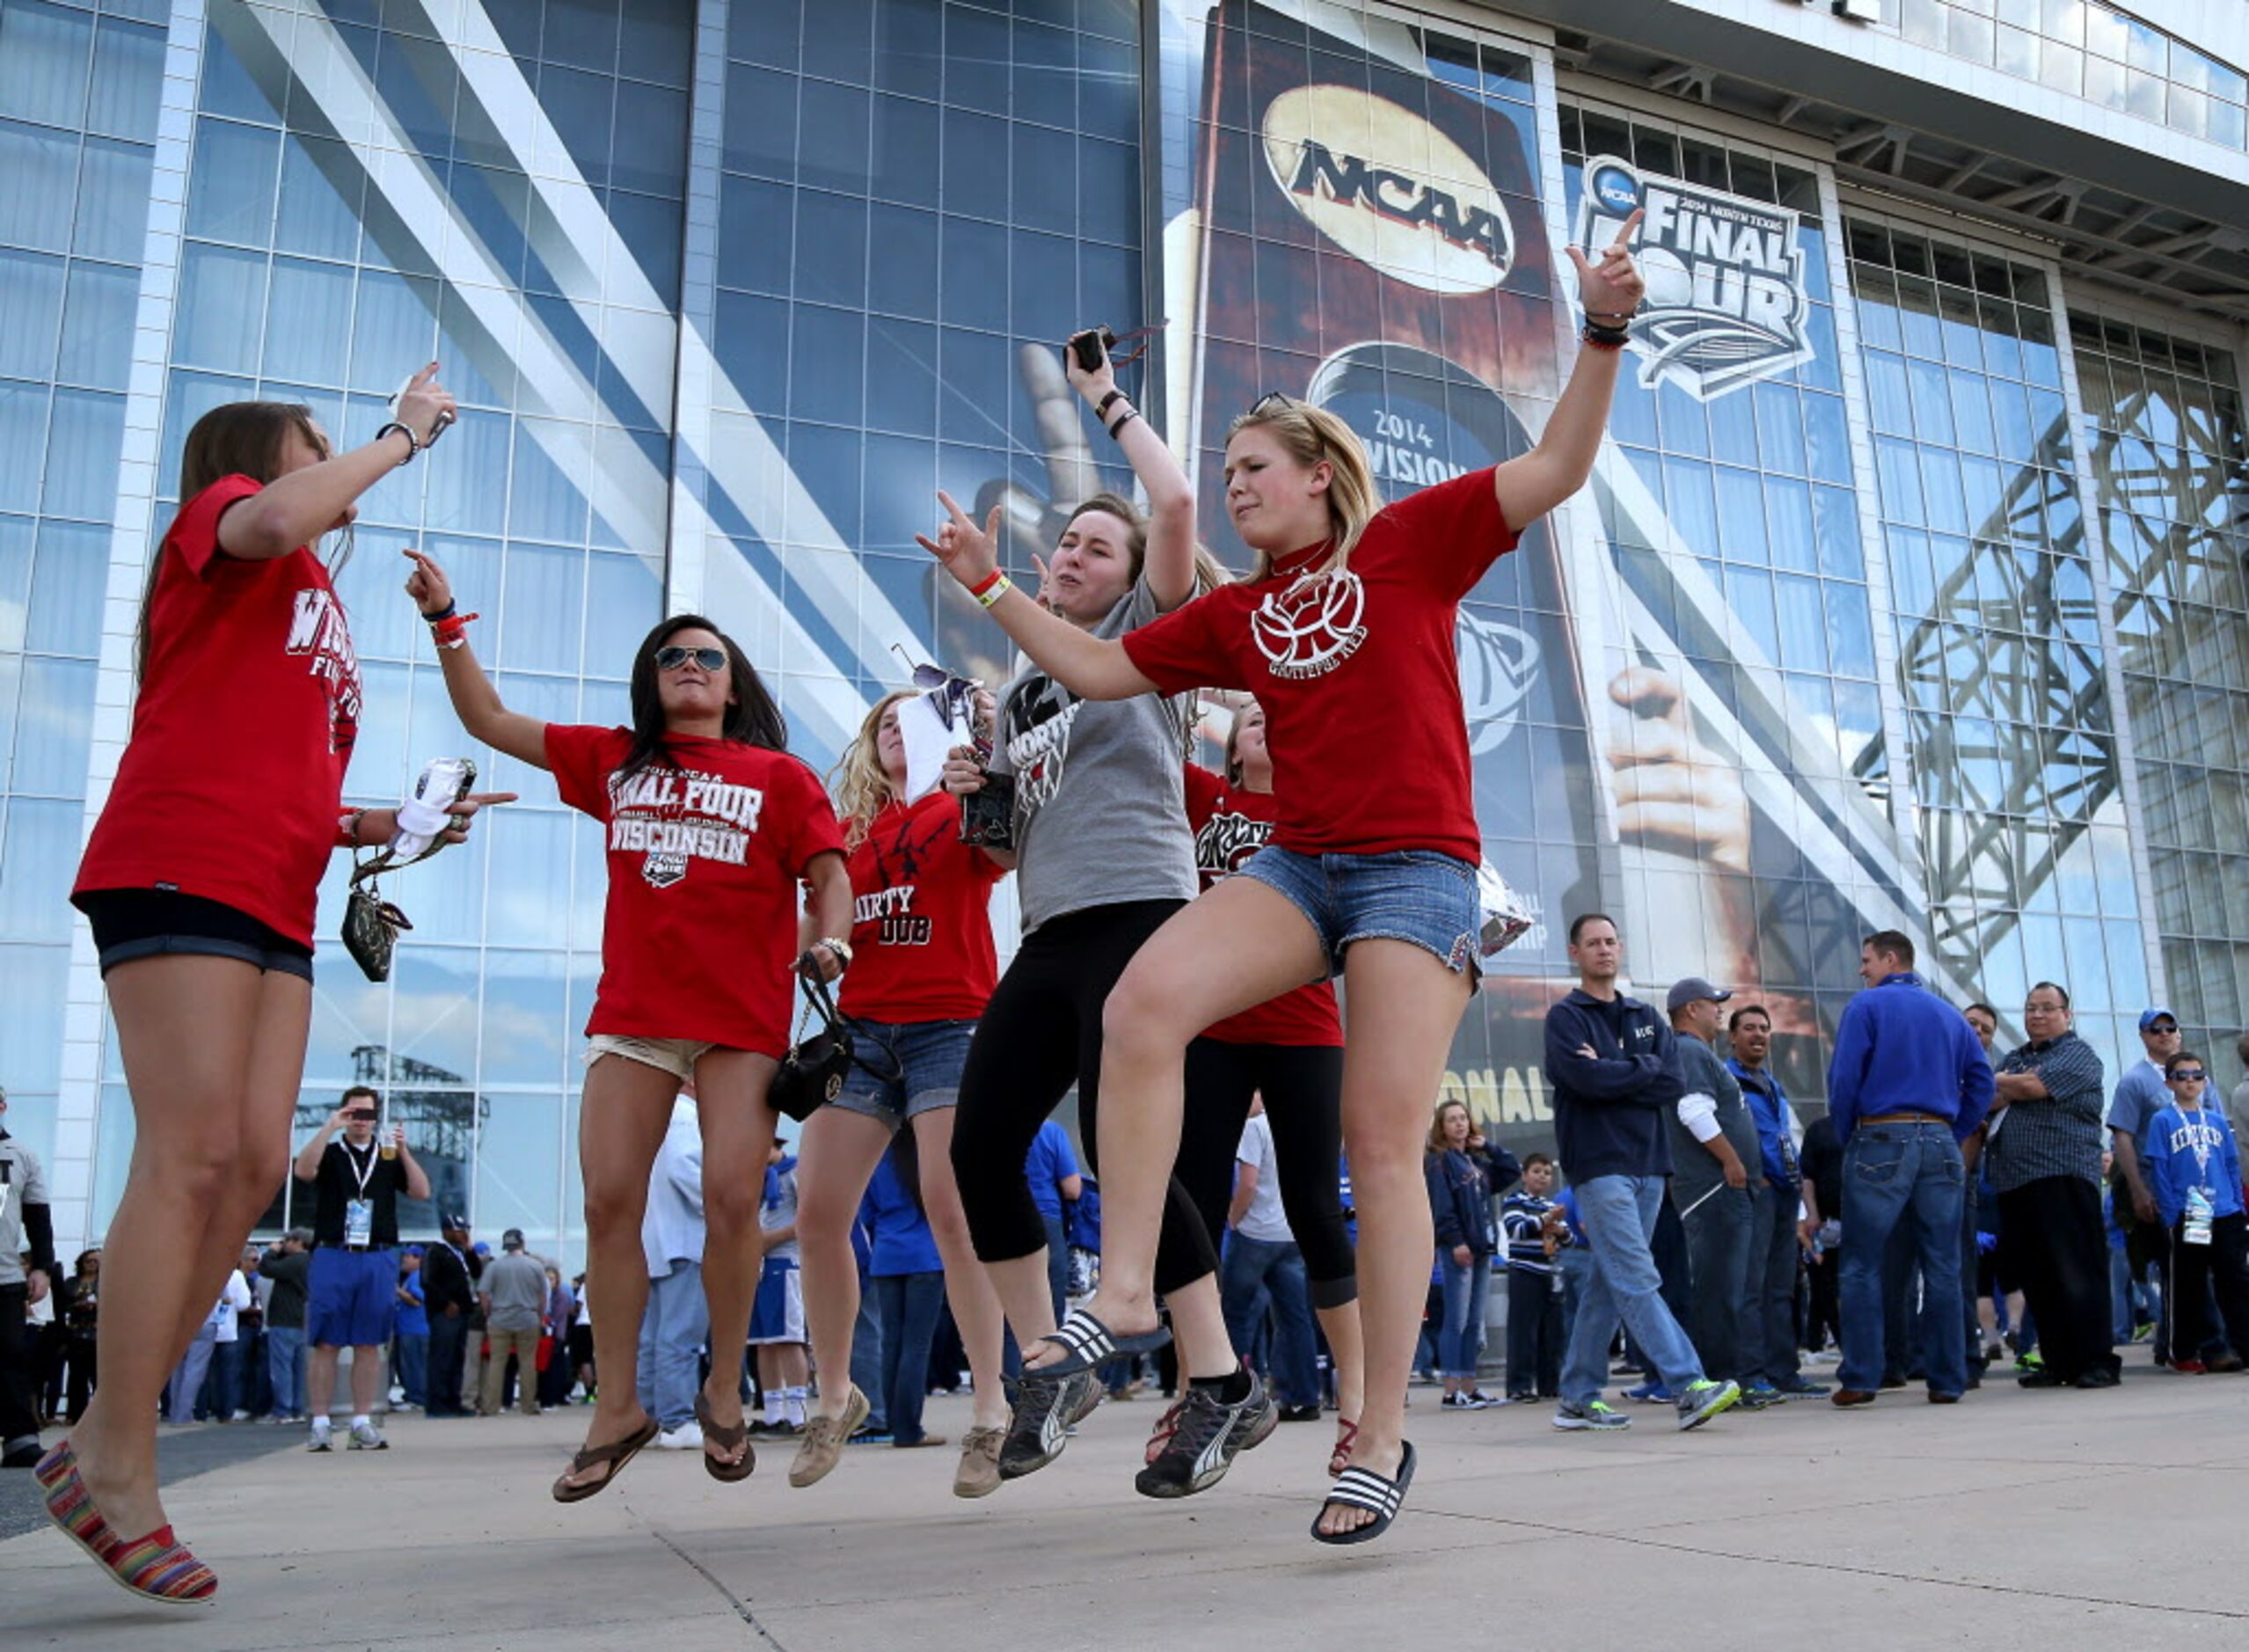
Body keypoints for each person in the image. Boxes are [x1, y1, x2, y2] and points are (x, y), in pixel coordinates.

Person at [918, 223, 1652, 1542]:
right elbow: (1092, 673)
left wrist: (1599, 329)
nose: (1235, 488)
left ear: (1319, 475)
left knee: (1377, 1144)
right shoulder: (1235, 614)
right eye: (1228, 473)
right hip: (1300, 865)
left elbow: (1557, 463)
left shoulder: (1413, 543)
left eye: (1254, 468)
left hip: (1417, 873)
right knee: (1142, 1009)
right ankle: (1131, 1290)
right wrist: (986, 585)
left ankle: (1378, 1429)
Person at [46, 372, 502, 1604]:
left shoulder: (312, 600)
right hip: (179, 859)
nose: (333, 457)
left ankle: (108, 1433)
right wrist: (398, 437)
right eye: (318, 440)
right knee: (189, 1153)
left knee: (253, 1170)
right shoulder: (232, 517)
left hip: (275, 888)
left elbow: (293, 774)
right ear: (267, 453)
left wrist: (392, 823)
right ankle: (118, 1452)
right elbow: (273, 518)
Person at [405, 548, 852, 1499]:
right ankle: (620, 1409)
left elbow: (827, 874)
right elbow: (486, 719)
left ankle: (722, 1396)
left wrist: (832, 942)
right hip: (638, 1018)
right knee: (611, 1203)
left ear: (734, 689)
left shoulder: (778, 776)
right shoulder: (615, 759)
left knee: (734, 1200)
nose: (690, 665)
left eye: (709, 657)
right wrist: (447, 622)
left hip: (740, 1021)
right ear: (651, 685)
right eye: (671, 657)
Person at [925, 328, 1275, 1501]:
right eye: (1063, 541)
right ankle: (1042, 1364)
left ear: (1128, 575)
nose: (1071, 553)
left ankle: (1218, 1374)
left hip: (1139, 910)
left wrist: (1105, 400)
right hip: (1050, 924)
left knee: (1134, 1160)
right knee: (982, 1146)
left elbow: (1173, 500)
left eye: (1092, 544)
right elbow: (1014, 836)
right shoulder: (1025, 683)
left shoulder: (1149, 635)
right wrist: (982, 795)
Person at [788, 686, 1011, 1499]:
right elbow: (813, 930)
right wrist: (814, 948)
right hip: (861, 1032)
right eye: (881, 722)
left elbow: (1008, 853)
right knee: (817, 1212)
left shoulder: (958, 801)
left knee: (955, 1213)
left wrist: (983, 773)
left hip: (951, 1025)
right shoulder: (846, 834)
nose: (892, 730)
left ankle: (991, 1410)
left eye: (907, 721)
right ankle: (835, 1395)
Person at [1176, 701, 1365, 1470]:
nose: (1264, 720)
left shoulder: (1317, 807)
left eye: (1278, 714)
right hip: (1212, 1028)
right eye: (1251, 715)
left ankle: (1354, 1395)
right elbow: (1152, 728)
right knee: (1187, 1200)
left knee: (1317, 1207)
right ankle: (1199, 1386)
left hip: (1304, 1030)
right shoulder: (1201, 797)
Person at [1544, 914, 1738, 1438]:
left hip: (1650, 1165)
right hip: (1599, 1163)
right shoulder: (1566, 1018)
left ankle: (1578, 1398)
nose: (1604, 950)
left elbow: (1670, 1082)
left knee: (1611, 1283)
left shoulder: (1646, 1016)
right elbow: (1579, 1078)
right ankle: (1689, 1384)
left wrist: (1616, 1069)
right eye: (1593, 943)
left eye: (1610, 941)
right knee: (1635, 1274)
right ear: (1575, 953)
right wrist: (1638, 1069)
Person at [1821, 933, 1993, 1407]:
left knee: (1860, 1264)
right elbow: (1981, 1081)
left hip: (1881, 1135)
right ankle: (1948, 1378)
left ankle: (1861, 1375)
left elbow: (1843, 1080)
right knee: (1943, 1265)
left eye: (1867, 960)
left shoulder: (1867, 1006)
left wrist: (1848, 1134)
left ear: (1890, 959)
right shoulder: (1949, 1016)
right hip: (1939, 1140)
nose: (1862, 970)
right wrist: (1952, 1129)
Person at [1988, 983, 2118, 1389]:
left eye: (2047, 1008)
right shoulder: (2015, 1058)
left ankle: (2095, 1360)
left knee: (2077, 1271)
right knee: (2039, 1277)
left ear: (2067, 1014)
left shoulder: (2078, 1054)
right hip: (2016, 1182)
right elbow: (1986, 1098)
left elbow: (2030, 1088)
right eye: (2030, 1008)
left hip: (2063, 1176)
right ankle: (2059, 1361)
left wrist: (2005, 1083)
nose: (2037, 1015)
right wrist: (2008, 1081)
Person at [296, 1089, 431, 1451]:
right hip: (334, 1252)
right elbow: (303, 1171)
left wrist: (403, 1150)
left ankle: (361, 1421)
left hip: (378, 1254)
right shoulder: (331, 1151)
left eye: (367, 1114)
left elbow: (420, 1191)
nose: (360, 1121)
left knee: (369, 1343)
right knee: (326, 1342)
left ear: (376, 1117)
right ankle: (321, 1423)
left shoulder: (386, 1155)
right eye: (354, 1113)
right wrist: (329, 1126)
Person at [1662, 978, 1761, 1403]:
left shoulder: (1692, 1052)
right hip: (1714, 1190)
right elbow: (1693, 1109)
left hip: (1717, 1190)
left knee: (1724, 1291)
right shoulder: (1690, 1050)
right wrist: (1730, 1159)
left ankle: (1726, 1379)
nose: (1719, 1010)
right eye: (1712, 1004)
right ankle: (1724, 1380)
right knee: (1720, 1293)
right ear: (1690, 1010)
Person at [2143, 1052, 2249, 1373]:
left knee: (2235, 1281)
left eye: (2197, 1075)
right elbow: (2159, 1167)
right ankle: (2185, 1350)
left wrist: (2238, 1204)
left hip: (2225, 1210)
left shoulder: (2216, 1120)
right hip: (2193, 1211)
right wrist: (2171, 1210)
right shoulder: (2163, 1120)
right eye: (2182, 1076)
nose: (2190, 1081)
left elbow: (2231, 1165)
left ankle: (2242, 1346)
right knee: (2190, 1283)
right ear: (2169, 1082)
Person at [1220, 1100, 1322, 1423]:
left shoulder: (1255, 1127)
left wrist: (1233, 1219)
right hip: (1289, 1233)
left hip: (1255, 1232)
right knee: (1296, 1319)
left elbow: (1248, 1183)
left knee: (1236, 1315)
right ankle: (1305, 1397)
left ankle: (1233, 1396)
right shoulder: (1296, 1123)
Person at [2106, 1009, 2187, 1364]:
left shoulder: (2195, 1076)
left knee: (2198, 1266)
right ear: (2143, 1035)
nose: (2165, 1034)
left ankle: (2204, 1339)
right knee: (2169, 1267)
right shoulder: (2136, 1082)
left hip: (2197, 1196)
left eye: (2171, 1028)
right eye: (2157, 1029)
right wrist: (2138, 1190)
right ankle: (2171, 1342)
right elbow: (2122, 1136)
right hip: (2158, 1192)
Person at [860, 1131, 950, 1452]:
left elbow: (866, 1213)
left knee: (892, 1344)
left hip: (886, 1256)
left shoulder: (877, 1159)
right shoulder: (929, 1158)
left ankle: (895, 1424)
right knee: (917, 1346)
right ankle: (910, 1427)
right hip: (926, 1256)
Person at [1423, 1100, 1513, 1409]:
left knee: (1475, 1321)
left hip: (1482, 1246)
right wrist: (1455, 1240)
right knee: (1456, 1320)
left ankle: (1470, 1386)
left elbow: (1510, 1170)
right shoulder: (1440, 1161)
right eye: (1452, 1120)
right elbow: (1442, 1206)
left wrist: (1488, 1146)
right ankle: (1451, 1390)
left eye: (1463, 1118)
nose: (1460, 1124)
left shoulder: (1476, 1162)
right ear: (1442, 1127)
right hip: (1459, 1248)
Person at [639, 1093, 707, 1451]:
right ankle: (677, 1420)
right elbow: (684, 1166)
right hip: (685, 1237)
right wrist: (719, 1205)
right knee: (679, 1337)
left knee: (653, 1339)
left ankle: (649, 1418)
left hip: (657, 1239)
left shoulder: (656, 1113)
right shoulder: (684, 1114)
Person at [1, 1087, 56, 1467]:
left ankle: (20, 1438)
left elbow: (38, 1219)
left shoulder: (21, 1156)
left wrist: (41, 1266)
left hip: (5, 1276)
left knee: (10, 1354)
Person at [749, 1141, 809, 1436]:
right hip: (759, 1266)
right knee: (764, 1341)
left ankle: (797, 1413)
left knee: (788, 1337)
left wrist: (768, 1239)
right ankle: (773, 1412)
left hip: (786, 1260)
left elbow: (808, 1218)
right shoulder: (755, 1179)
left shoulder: (795, 1171)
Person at [1500, 1155, 1566, 1403]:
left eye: (1547, 1172)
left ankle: (1550, 1384)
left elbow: (1567, 1238)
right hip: (1524, 1272)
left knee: (1551, 1334)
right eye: (1537, 1171)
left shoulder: (1550, 1205)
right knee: (1523, 1333)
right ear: (1524, 1175)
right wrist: (1547, 1220)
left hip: (1549, 1274)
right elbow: (1517, 1229)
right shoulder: (1514, 1201)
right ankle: (1519, 1386)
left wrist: (1559, 1229)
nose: (1542, 1176)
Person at [478, 1230, 548, 1418]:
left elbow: (483, 1293)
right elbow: (542, 1295)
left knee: (497, 1363)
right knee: (527, 1362)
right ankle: (528, 1405)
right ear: (522, 1243)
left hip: (500, 1319)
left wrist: (488, 1314)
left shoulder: (494, 1266)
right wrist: (539, 1317)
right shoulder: (535, 1266)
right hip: (528, 1317)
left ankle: (491, 1406)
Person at [164, 1270, 250, 1425]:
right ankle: (184, 1415)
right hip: (205, 1322)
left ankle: (174, 1412)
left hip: (179, 1322)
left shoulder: (180, 1272)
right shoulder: (213, 1272)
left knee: (178, 1369)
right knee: (195, 1370)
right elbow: (227, 1299)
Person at [420, 1216, 477, 1419]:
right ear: (446, 1231)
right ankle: (437, 1403)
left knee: (457, 1358)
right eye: (458, 1230)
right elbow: (427, 1281)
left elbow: (477, 1272)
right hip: (444, 1313)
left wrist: (470, 1250)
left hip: (462, 1312)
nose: (463, 1234)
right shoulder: (436, 1252)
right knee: (442, 1358)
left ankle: (454, 1400)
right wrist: (445, 1302)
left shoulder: (460, 1253)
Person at [258, 1230, 312, 1425]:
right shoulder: (311, 1261)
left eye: (287, 1240)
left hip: (284, 1321)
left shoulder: (295, 1261)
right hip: (303, 1321)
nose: (284, 1244)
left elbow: (267, 1269)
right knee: (300, 1369)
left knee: (282, 1368)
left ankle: (283, 1410)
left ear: (298, 1242)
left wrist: (271, 1252)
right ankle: (299, 1409)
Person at [55, 1252, 100, 1428]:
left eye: (96, 1261)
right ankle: (75, 1414)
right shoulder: (72, 1282)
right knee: (76, 1377)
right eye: (88, 1261)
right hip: (76, 1333)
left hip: (98, 1334)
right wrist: (77, 1305)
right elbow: (62, 1304)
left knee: (98, 1376)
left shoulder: (106, 1281)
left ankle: (99, 1416)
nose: (92, 1264)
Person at [392, 1250, 428, 1411]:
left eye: (407, 1257)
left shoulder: (418, 1277)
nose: (404, 1260)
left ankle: (418, 1398)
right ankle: (412, 1395)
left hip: (416, 1329)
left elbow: (417, 1301)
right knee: (408, 1365)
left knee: (415, 1365)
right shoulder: (410, 1277)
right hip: (407, 1329)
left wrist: (397, 1291)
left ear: (418, 1259)